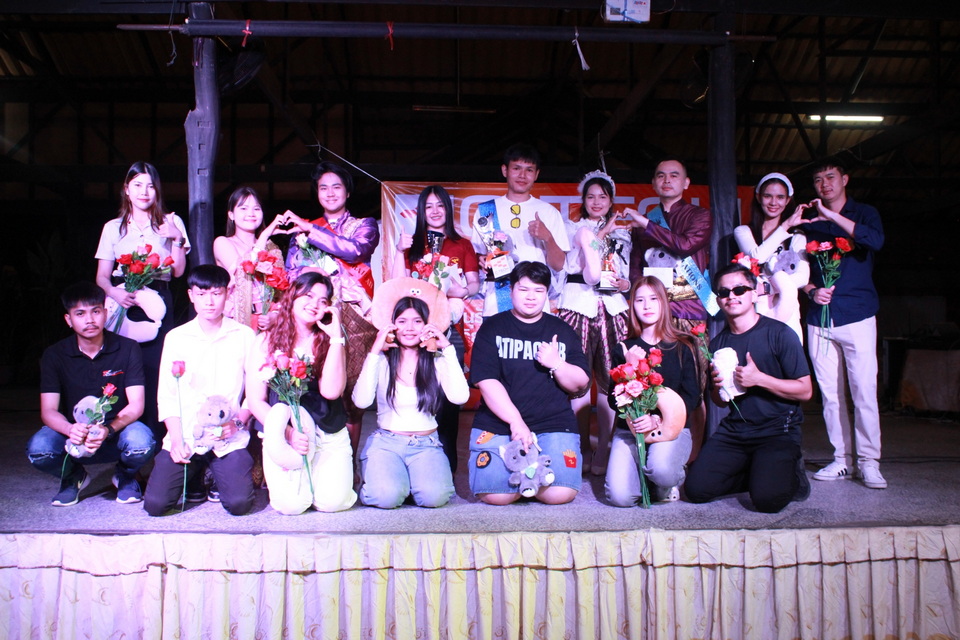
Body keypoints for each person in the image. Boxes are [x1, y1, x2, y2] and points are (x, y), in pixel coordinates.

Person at [684, 264, 813, 513]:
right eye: (724, 292)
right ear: (718, 300)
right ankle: (758, 473)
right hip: (736, 432)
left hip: (777, 430)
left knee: (767, 501)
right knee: (696, 490)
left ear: (754, 294)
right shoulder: (718, 343)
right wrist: (718, 388)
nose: (731, 296)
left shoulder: (780, 333)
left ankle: (791, 475)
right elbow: (720, 401)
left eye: (739, 290)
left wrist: (760, 379)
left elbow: (805, 390)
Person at [468, 261, 590, 505]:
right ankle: (528, 476)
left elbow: (580, 383)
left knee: (560, 494)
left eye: (538, 290)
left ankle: (527, 475)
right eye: (523, 289)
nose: (531, 297)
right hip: (499, 423)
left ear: (546, 294)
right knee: (496, 495)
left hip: (553, 423)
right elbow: (487, 382)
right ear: (511, 290)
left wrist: (557, 364)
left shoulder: (562, 330)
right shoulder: (492, 327)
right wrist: (516, 422)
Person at [27, 282, 156, 506]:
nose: (89, 320)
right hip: (74, 433)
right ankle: (73, 476)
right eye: (80, 314)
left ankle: (126, 475)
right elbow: (48, 410)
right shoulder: (54, 355)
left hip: (116, 429)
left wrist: (108, 429)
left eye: (95, 311)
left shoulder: (128, 348)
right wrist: (69, 429)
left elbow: (136, 404)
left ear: (105, 313)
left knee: (142, 442)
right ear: (68, 319)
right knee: (39, 450)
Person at [284, 161, 380, 460]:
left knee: (351, 396)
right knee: (311, 387)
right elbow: (290, 274)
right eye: (323, 187)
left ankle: (349, 465)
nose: (330, 193)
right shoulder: (301, 230)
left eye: (336, 187)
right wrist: (311, 273)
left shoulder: (364, 225)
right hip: (314, 316)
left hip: (354, 318)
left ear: (348, 192)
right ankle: (315, 459)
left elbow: (355, 250)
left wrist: (310, 231)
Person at [143, 265, 257, 517]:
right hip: (187, 434)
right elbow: (167, 394)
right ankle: (195, 473)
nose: (209, 302)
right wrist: (175, 439)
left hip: (228, 435)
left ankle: (214, 474)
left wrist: (237, 423)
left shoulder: (244, 335)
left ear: (227, 294)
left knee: (239, 503)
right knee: (156, 505)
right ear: (191, 295)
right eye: (202, 294)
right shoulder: (177, 337)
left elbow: (254, 392)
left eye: (216, 293)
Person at [800, 157, 886, 489]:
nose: (824, 184)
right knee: (830, 395)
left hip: (857, 314)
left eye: (830, 177)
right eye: (818, 180)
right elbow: (796, 270)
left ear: (845, 179)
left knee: (864, 392)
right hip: (819, 318)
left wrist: (831, 216)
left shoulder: (864, 213)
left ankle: (869, 462)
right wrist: (811, 290)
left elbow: (875, 241)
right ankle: (841, 460)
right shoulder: (809, 224)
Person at [246, 272, 356, 515]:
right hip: (286, 435)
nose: (314, 304)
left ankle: (325, 480)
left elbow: (331, 392)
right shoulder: (265, 341)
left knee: (333, 503)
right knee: (292, 506)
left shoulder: (330, 341)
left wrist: (336, 338)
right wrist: (288, 433)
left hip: (327, 431)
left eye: (323, 301)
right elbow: (255, 400)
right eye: (308, 295)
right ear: (293, 296)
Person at [95, 161, 190, 440]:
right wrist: (114, 292)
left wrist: (176, 237)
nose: (144, 192)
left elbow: (178, 271)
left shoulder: (171, 222)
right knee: (119, 366)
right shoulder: (113, 227)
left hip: (158, 300)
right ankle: (117, 436)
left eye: (150, 186)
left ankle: (156, 439)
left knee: (155, 367)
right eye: (137, 185)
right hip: (122, 301)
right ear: (126, 189)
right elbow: (102, 277)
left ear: (157, 191)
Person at [623, 157, 712, 453]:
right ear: (653, 182)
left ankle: (694, 455)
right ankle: (652, 446)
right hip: (655, 318)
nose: (667, 180)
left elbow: (684, 245)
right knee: (650, 383)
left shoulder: (700, 216)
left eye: (674, 175)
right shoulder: (643, 223)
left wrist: (645, 223)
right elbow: (636, 270)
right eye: (661, 175)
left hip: (689, 312)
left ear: (686, 183)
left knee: (695, 387)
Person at [390, 185, 479, 471]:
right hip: (413, 335)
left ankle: (448, 470)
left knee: (449, 405)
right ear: (421, 211)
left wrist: (460, 289)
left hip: (447, 332)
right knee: (415, 399)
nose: (435, 211)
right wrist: (399, 251)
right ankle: (412, 467)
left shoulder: (462, 244)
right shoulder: (411, 243)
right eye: (428, 206)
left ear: (448, 209)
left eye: (440, 205)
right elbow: (398, 285)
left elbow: (474, 284)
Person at [353, 292, 469, 509]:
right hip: (387, 443)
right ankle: (390, 481)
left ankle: (407, 483)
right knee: (386, 497)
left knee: (434, 498)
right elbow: (361, 401)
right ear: (392, 325)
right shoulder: (382, 361)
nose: (409, 328)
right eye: (402, 321)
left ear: (427, 325)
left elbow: (460, 397)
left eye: (417, 321)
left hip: (426, 444)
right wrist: (375, 350)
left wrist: (447, 348)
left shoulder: (436, 361)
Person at [557, 171, 632, 475]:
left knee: (609, 380)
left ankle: (603, 448)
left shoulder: (623, 233)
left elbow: (625, 273)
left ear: (611, 200)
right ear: (583, 200)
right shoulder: (572, 227)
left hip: (613, 307)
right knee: (577, 382)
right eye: (591, 196)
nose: (597, 202)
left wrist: (625, 283)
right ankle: (581, 448)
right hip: (577, 304)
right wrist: (602, 233)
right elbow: (574, 264)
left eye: (603, 197)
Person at [605, 277, 699, 506]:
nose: (647, 306)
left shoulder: (683, 345)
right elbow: (613, 400)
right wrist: (629, 368)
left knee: (662, 472)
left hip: (671, 428)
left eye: (653, 299)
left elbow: (692, 397)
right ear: (632, 306)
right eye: (640, 300)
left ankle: (666, 479)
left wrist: (658, 419)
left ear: (664, 302)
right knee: (620, 497)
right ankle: (644, 479)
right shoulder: (624, 348)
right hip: (631, 430)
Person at [470, 144, 569, 317]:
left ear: (536, 174)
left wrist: (548, 238)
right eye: (516, 168)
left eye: (529, 170)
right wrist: (482, 261)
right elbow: (478, 256)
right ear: (505, 170)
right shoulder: (486, 211)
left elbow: (558, 265)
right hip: (496, 302)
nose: (522, 175)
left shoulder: (549, 212)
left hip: (535, 304)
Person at [733, 173, 810, 343]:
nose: (774, 202)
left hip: (788, 309)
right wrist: (785, 225)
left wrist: (766, 287)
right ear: (758, 197)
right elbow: (757, 257)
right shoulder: (744, 231)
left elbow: (803, 278)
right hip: (755, 310)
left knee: (789, 356)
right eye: (768, 196)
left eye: (780, 197)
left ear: (788, 200)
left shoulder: (797, 236)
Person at [213, 186, 291, 330]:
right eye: (243, 208)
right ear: (231, 215)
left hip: (267, 322)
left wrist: (274, 315)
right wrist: (265, 235)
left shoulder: (271, 247)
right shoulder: (222, 242)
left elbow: (281, 291)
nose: (251, 213)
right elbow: (244, 270)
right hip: (236, 320)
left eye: (256, 209)